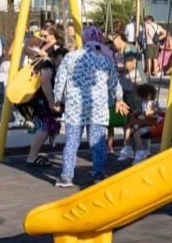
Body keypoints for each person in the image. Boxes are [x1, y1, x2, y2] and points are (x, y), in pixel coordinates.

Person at [53, 27, 128, 188]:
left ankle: (67, 176)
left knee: (72, 142)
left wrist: (57, 100)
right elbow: (114, 82)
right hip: (98, 107)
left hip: (75, 107)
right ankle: (98, 173)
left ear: (84, 39)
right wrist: (119, 99)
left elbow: (60, 80)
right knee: (97, 143)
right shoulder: (104, 60)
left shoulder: (70, 57)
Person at [17, 45, 66, 167]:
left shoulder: (46, 63)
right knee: (45, 127)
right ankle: (32, 157)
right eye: (62, 60)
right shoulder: (48, 64)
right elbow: (45, 83)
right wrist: (51, 103)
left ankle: (33, 155)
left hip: (34, 99)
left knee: (47, 126)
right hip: (36, 100)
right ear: (57, 57)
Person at [125, 83, 161, 164]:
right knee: (128, 130)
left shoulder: (153, 103)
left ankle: (141, 152)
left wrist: (150, 112)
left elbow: (157, 112)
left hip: (151, 124)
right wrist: (138, 111)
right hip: (143, 122)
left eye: (145, 96)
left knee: (136, 134)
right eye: (143, 96)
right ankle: (128, 148)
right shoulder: (144, 102)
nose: (144, 98)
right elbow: (142, 111)